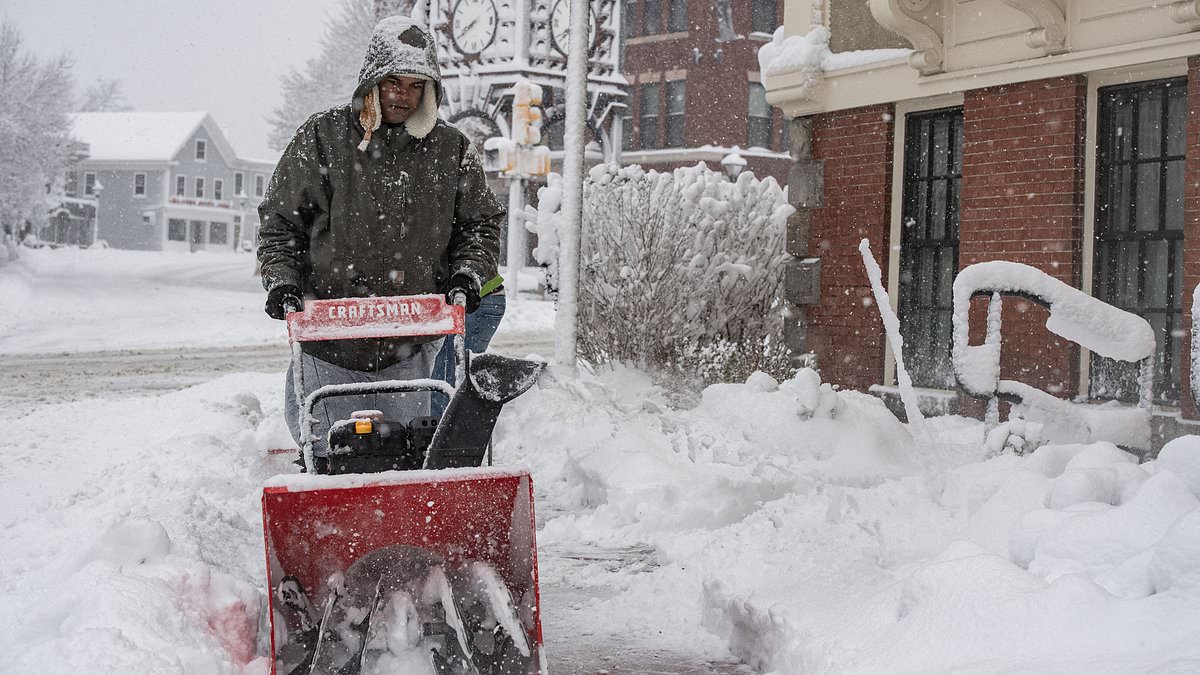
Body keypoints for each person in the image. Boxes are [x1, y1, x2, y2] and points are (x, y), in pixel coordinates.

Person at [256, 15, 504, 463]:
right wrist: (281, 279)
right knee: (327, 453)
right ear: (372, 79)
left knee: (403, 454)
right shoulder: (323, 138)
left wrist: (468, 272)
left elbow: (480, 225)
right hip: (327, 340)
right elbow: (280, 222)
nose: (402, 95)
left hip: (409, 347)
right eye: (392, 81)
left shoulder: (451, 150)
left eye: (414, 85)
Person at [430, 275, 506, 418]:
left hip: (473, 301)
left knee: (446, 379)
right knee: (453, 375)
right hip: (483, 296)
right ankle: (449, 430)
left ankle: (444, 434)